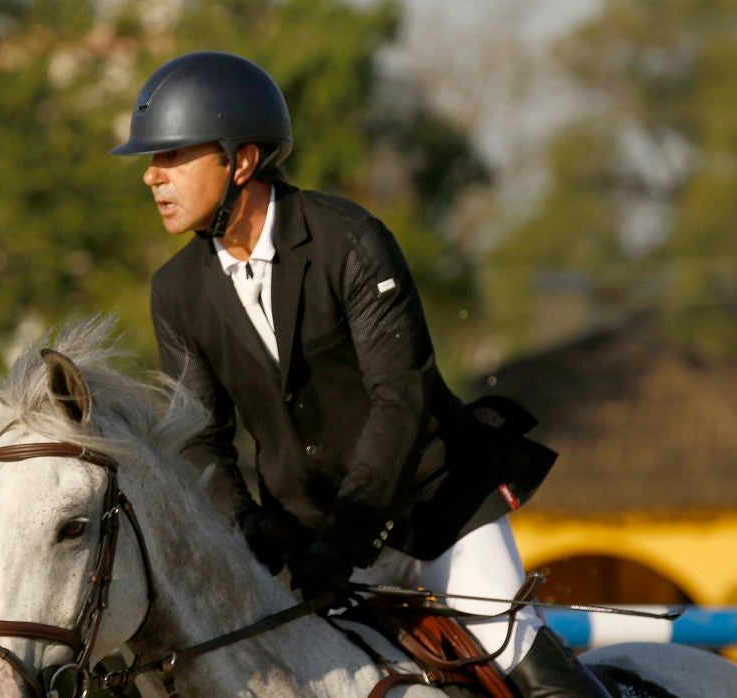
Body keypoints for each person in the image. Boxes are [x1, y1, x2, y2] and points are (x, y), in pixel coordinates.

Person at [112, 50, 609, 697]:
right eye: (154, 161)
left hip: (434, 511)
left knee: (524, 664)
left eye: (172, 157)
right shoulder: (177, 290)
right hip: (304, 535)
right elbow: (200, 435)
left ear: (241, 161)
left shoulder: (347, 239)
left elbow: (401, 398)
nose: (153, 177)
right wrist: (246, 522)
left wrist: (347, 536)